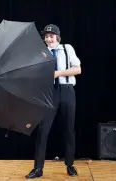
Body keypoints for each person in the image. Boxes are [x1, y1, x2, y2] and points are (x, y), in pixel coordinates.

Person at [25, 24, 81, 179]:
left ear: (58, 37)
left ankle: (70, 164)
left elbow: (78, 69)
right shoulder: (41, 53)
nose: (48, 39)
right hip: (49, 93)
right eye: (46, 36)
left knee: (68, 129)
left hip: (67, 90)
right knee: (43, 130)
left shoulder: (67, 49)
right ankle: (38, 168)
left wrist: (58, 73)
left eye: (51, 36)